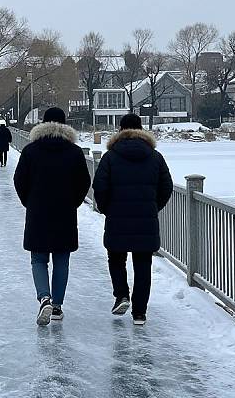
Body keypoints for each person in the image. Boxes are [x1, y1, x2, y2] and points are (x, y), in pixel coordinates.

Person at [92, 113, 173, 326]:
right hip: (146, 219)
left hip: (117, 218)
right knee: (143, 264)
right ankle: (139, 312)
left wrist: (106, 208)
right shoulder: (155, 156)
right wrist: (153, 207)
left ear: (120, 130)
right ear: (142, 129)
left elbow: (99, 186)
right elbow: (166, 187)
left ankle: (121, 295)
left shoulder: (110, 157)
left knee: (116, 258)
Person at [14, 107, 91, 326]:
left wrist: (29, 202)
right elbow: (84, 183)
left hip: (38, 212)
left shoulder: (31, 150)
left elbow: (19, 180)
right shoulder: (74, 152)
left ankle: (44, 297)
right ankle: (57, 305)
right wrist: (72, 202)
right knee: (61, 259)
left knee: (38, 259)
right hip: (64, 213)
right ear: (65, 125)